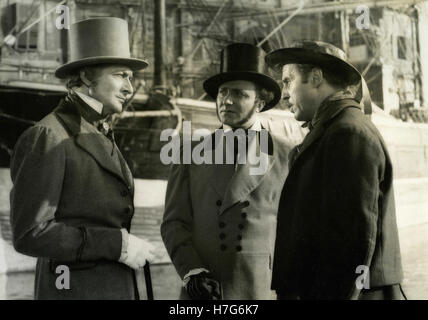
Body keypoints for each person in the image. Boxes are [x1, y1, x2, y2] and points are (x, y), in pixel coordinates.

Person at [9, 17, 156, 300]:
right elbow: (30, 233)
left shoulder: (98, 130)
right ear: (87, 76)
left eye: (130, 77)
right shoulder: (48, 136)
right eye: (120, 75)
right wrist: (117, 245)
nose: (129, 87)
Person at [265, 40, 404, 300]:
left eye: (288, 81)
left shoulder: (347, 133)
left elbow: (352, 242)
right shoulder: (337, 129)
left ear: (316, 78)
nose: (283, 93)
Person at [161, 43, 293, 300]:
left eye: (239, 94)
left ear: (260, 102)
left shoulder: (288, 154)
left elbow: (297, 231)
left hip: (260, 290)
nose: (227, 100)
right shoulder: (190, 152)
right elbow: (174, 223)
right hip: (204, 291)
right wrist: (192, 271)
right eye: (222, 92)